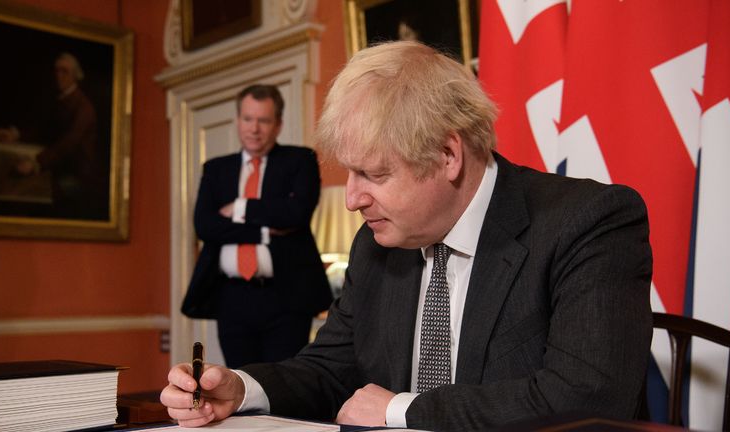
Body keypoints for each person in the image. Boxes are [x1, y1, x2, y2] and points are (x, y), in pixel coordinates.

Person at [161, 41, 653, 431]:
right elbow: (330, 368)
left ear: (447, 156)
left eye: (372, 175)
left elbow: (588, 397)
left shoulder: (589, 222)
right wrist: (242, 388)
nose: (352, 199)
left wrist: (403, 411)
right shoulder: (377, 243)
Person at [182, 84, 332, 368]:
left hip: (285, 298)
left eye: (263, 121)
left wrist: (240, 208)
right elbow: (206, 226)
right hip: (231, 299)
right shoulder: (216, 169)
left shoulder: (301, 160)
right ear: (238, 121)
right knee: (239, 387)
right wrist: (264, 230)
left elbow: (295, 215)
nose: (254, 129)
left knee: (284, 387)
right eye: (248, 119)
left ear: (278, 125)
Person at [0, 52, 106, 219]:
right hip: (57, 167)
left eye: (64, 71)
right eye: (56, 71)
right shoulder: (59, 100)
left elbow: (68, 143)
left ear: (75, 76)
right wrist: (15, 135)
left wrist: (37, 162)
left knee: (26, 191)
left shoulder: (84, 108)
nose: (58, 75)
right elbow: (43, 130)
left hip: (78, 177)